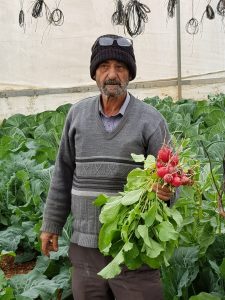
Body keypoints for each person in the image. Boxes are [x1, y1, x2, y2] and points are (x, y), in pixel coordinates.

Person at [40, 34, 174, 300]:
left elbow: (171, 175)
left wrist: (167, 192)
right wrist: (51, 224)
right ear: (94, 74)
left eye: (120, 67)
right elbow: (63, 173)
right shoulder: (76, 115)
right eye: (104, 67)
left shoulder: (150, 120)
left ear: (130, 74)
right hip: (86, 246)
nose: (112, 74)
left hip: (134, 246)